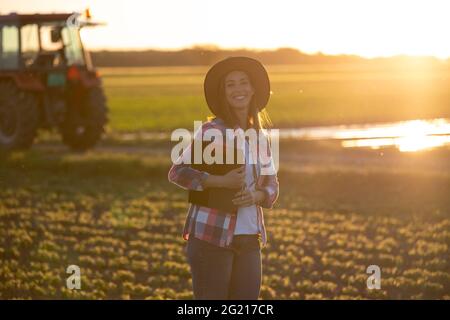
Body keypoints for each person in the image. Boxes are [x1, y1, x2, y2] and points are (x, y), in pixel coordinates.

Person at [168, 56, 279, 300]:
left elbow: (271, 186)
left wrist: (256, 195)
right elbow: (178, 171)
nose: (238, 89)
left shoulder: (260, 137)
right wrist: (220, 181)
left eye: (243, 82)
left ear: (253, 89)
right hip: (211, 237)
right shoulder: (212, 131)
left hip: (250, 237)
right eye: (231, 84)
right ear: (223, 93)